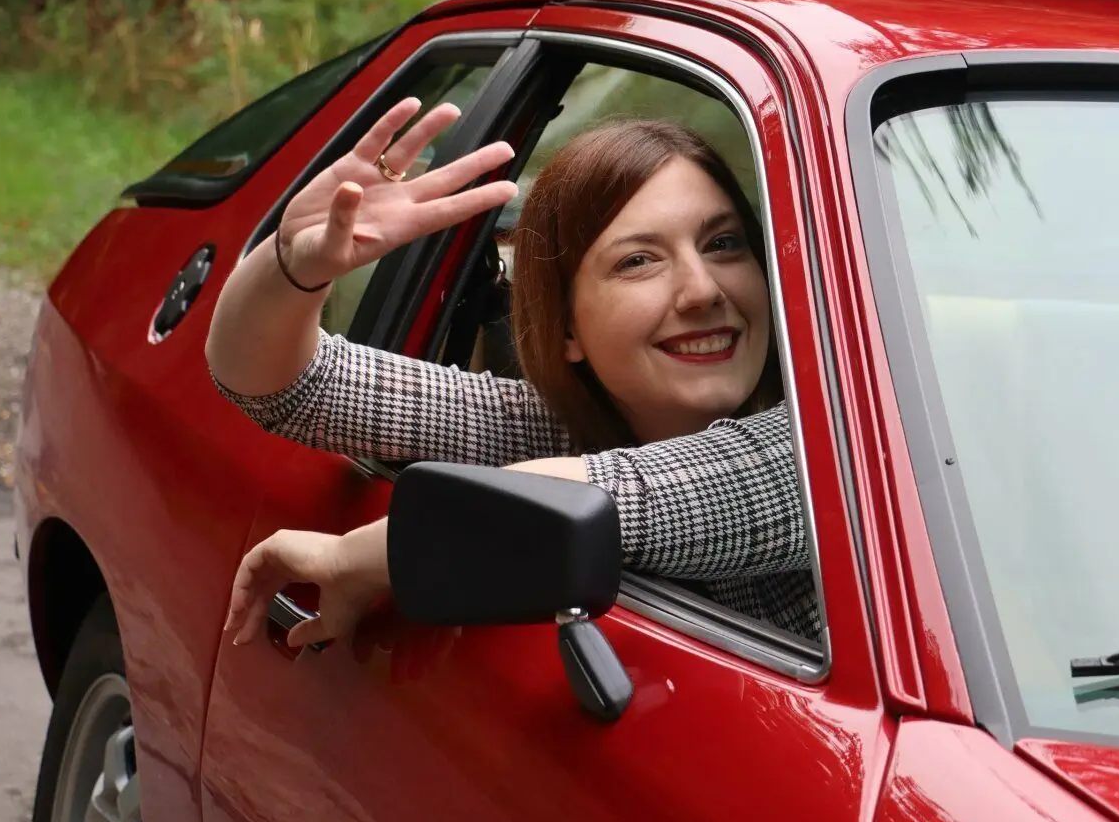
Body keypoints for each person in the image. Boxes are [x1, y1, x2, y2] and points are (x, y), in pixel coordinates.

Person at [209, 97, 818, 648]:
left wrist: (357, 556)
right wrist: (294, 267)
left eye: (723, 245)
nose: (703, 290)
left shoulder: (839, 443)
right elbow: (289, 389)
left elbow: (645, 497)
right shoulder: (557, 427)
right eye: (639, 260)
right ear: (565, 330)